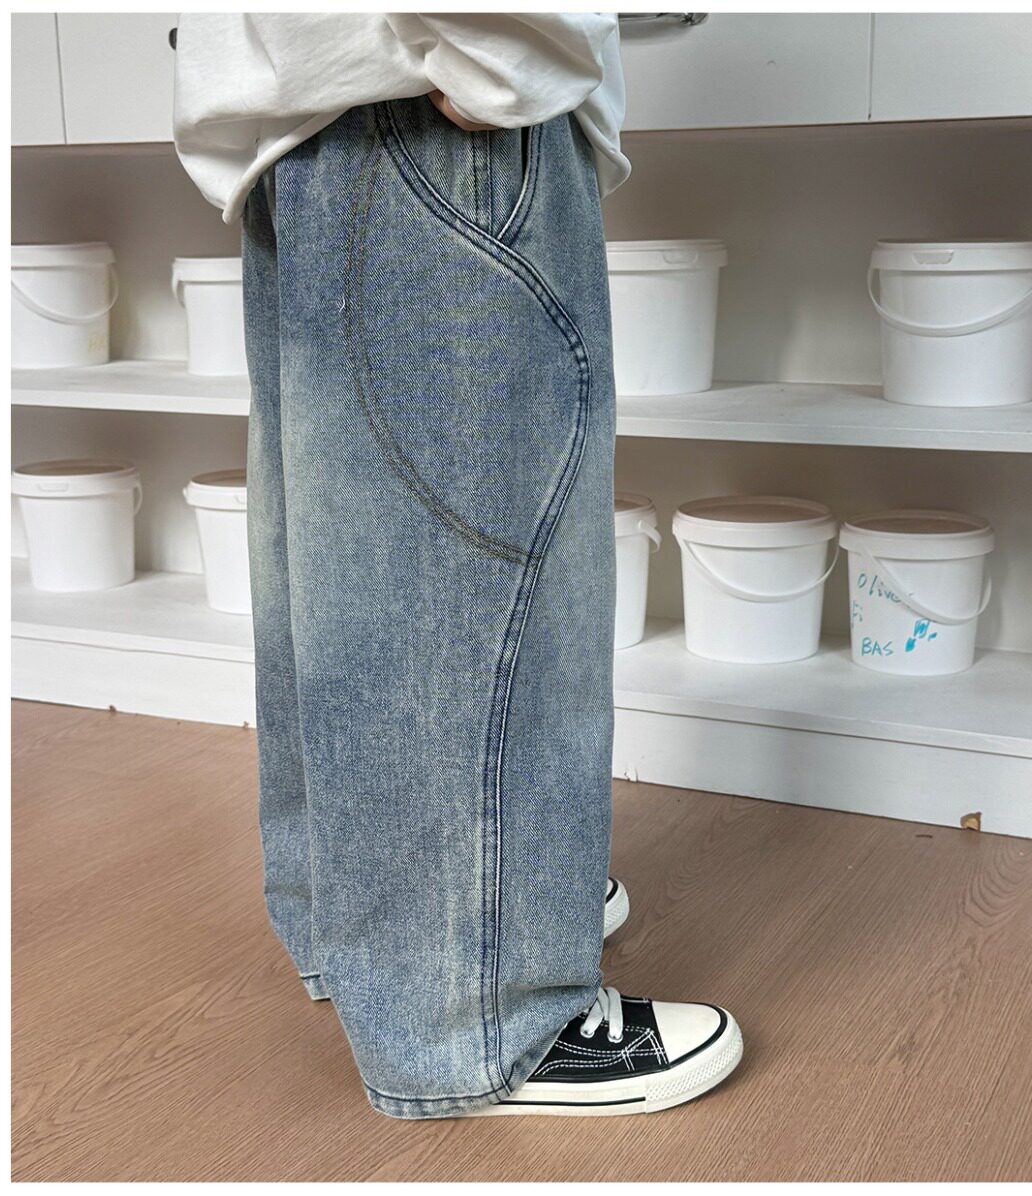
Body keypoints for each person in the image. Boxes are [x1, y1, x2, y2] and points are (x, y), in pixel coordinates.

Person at [173, 12, 742, 1119]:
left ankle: (392, 934)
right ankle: (477, 1008)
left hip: (316, 120)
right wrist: (504, 45)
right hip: (441, 112)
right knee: (476, 576)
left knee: (353, 574)